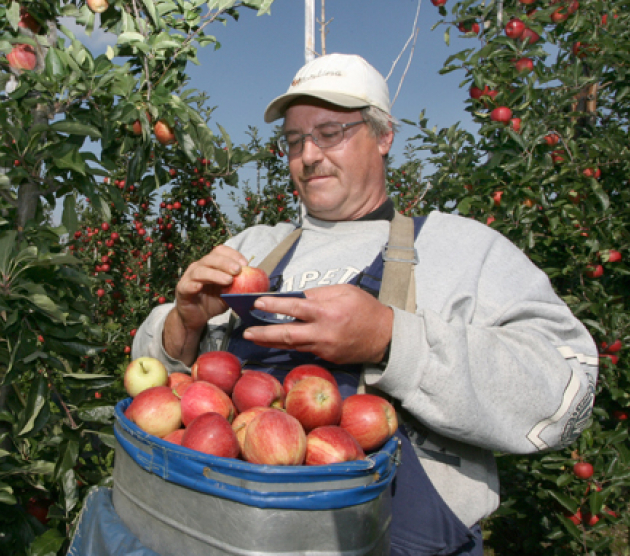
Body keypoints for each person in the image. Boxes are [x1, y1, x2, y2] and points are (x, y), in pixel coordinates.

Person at [131, 53, 598, 555]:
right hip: (226, 536)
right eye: (293, 140)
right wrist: (185, 324)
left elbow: (570, 396)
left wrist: (392, 339)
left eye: (330, 133)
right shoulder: (251, 248)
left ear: (383, 136)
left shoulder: (461, 249)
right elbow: (158, 394)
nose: (308, 155)